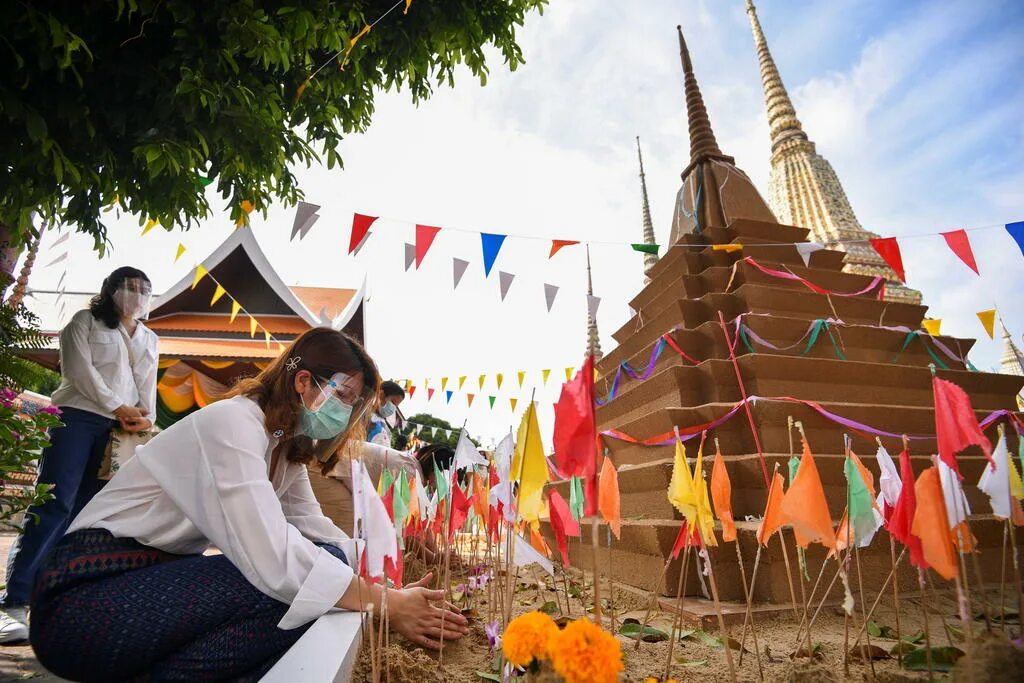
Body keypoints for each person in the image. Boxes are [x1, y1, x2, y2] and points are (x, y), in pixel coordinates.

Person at [28, 328, 467, 681]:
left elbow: (318, 532)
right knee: (293, 585)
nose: (349, 414)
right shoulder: (232, 424)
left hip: (144, 590)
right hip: (81, 603)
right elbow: (272, 558)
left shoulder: (281, 446)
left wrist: (389, 565)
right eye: (346, 397)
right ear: (303, 382)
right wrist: (383, 601)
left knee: (323, 569)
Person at [0, 267, 158, 644]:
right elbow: (79, 371)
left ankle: (56, 595)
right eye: (129, 287)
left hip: (120, 430)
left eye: (144, 289)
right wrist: (119, 406)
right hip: (77, 418)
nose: (137, 294)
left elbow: (147, 382)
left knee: (88, 512)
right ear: (110, 290)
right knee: (53, 502)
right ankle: (14, 602)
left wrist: (145, 417)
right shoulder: (84, 322)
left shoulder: (149, 336)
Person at [367, 380, 405, 447]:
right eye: (393, 402)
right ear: (381, 394)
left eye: (396, 406)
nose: (393, 408)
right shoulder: (363, 415)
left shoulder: (380, 422)